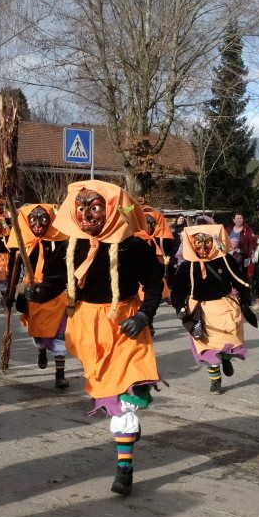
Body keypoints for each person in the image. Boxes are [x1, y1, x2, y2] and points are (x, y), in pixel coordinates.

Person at [55, 181, 164, 498]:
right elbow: (53, 279)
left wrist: (144, 316)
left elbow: (155, 284)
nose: (87, 215)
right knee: (110, 396)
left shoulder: (133, 247)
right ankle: (126, 430)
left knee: (126, 400)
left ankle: (124, 469)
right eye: (82, 208)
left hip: (126, 326)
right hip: (88, 330)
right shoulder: (71, 245)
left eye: (95, 208)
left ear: (111, 210)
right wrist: (32, 294)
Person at [171, 224, 256, 394]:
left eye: (207, 242)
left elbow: (240, 280)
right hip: (200, 312)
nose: (202, 247)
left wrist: (245, 301)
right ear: (191, 243)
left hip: (223, 308)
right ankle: (215, 380)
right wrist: (180, 307)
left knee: (226, 342)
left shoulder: (224, 260)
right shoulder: (187, 266)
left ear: (214, 242)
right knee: (207, 348)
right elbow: (178, 291)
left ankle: (225, 358)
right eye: (198, 243)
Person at [10, 203, 70, 389]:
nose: (38, 225)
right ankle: (41, 348)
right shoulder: (23, 244)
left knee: (59, 333)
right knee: (38, 333)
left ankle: (60, 374)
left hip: (56, 293)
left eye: (43, 219)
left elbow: (66, 271)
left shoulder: (61, 244)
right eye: (33, 220)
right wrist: (11, 295)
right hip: (31, 292)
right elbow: (13, 270)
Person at [225, 213, 257, 279]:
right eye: (238, 218)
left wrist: (250, 254)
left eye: (241, 218)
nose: (239, 220)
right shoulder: (228, 229)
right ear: (234, 220)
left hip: (242, 256)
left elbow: (252, 242)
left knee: (240, 273)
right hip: (229, 254)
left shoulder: (247, 230)